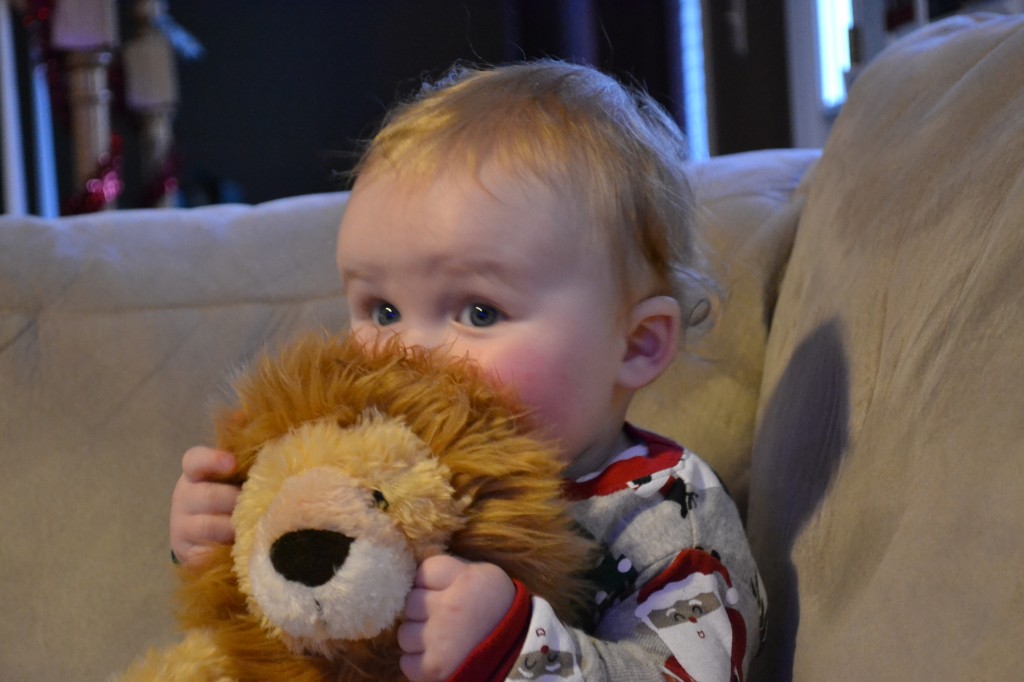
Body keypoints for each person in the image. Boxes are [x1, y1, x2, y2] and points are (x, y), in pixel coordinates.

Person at [170, 60, 765, 682]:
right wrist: (225, 536)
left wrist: (513, 647)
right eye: (384, 309)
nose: (411, 354)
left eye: (480, 312)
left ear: (637, 344)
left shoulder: (662, 509)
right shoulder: (371, 473)